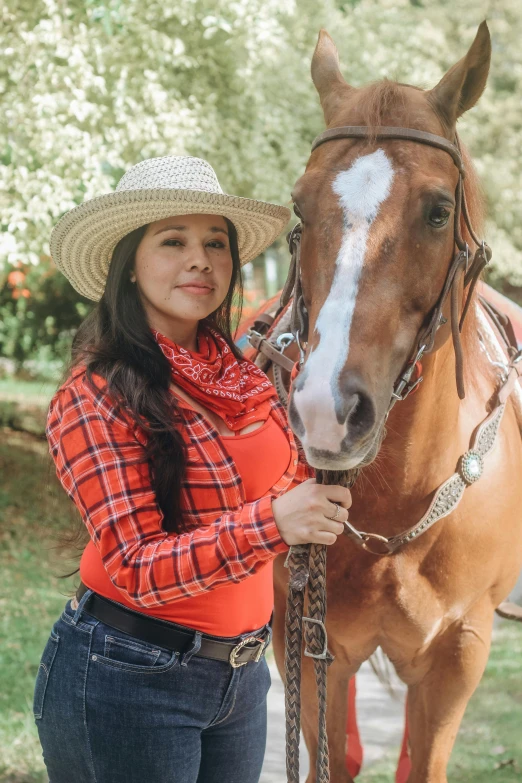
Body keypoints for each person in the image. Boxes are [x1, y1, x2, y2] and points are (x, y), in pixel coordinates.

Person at [33, 155, 352, 783]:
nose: (200, 259)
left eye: (214, 242)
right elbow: (134, 565)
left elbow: (283, 491)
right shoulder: (95, 395)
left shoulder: (242, 378)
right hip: (128, 673)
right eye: (172, 241)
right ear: (128, 264)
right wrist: (273, 524)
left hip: (239, 676)